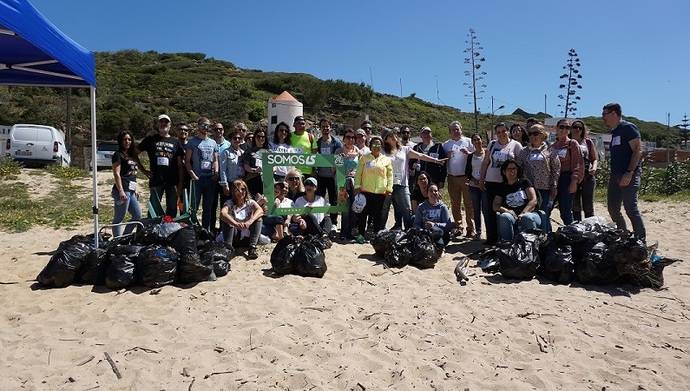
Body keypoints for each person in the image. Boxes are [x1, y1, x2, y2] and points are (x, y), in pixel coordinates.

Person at [382, 130, 447, 230]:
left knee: (407, 209)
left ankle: (409, 230)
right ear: (386, 140)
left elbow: (420, 156)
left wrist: (435, 160)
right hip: (386, 185)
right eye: (389, 136)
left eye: (394, 135)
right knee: (384, 208)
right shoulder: (383, 151)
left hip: (402, 184)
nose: (393, 137)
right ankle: (380, 229)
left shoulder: (405, 149)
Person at [603, 102, 645, 241]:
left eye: (605, 114)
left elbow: (638, 150)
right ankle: (624, 236)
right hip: (615, 176)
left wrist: (629, 172)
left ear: (614, 113)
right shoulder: (614, 132)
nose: (603, 117)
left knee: (630, 209)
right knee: (613, 209)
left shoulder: (628, 128)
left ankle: (640, 240)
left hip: (629, 175)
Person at [479, 122, 524, 244]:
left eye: (503, 131)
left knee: (504, 211)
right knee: (489, 211)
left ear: (508, 131)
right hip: (490, 182)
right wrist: (481, 179)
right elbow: (485, 162)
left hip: (506, 184)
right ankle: (491, 239)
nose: (501, 134)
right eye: (498, 132)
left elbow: (520, 165)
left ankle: (506, 238)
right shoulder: (492, 144)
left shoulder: (516, 145)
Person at [138, 114, 185, 217]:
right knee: (153, 209)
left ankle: (169, 230)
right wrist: (143, 170)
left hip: (172, 181)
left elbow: (180, 165)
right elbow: (134, 153)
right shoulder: (150, 139)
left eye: (166, 122)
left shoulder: (175, 142)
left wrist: (180, 183)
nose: (163, 124)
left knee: (172, 209)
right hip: (156, 180)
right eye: (161, 122)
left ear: (170, 125)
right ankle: (151, 230)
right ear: (158, 124)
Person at [493, 159, 542, 242]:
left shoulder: (525, 182)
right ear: (504, 172)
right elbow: (495, 205)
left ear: (517, 170)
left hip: (530, 214)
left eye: (514, 169)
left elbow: (533, 200)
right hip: (512, 216)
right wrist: (507, 211)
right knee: (504, 216)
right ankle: (507, 246)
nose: (512, 171)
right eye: (509, 169)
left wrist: (523, 213)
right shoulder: (501, 187)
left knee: (526, 217)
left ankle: (531, 246)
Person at [185, 117, 220, 231]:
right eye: (203, 125)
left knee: (208, 207)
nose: (206, 128)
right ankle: (193, 229)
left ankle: (206, 230)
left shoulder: (213, 142)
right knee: (194, 207)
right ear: (198, 126)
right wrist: (192, 175)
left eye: (208, 125)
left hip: (210, 179)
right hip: (197, 179)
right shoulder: (192, 142)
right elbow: (187, 161)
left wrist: (216, 172)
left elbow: (215, 160)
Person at [354, 135, 393, 237]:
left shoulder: (386, 160)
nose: (376, 146)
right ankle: (361, 235)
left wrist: (389, 188)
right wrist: (357, 186)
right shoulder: (364, 158)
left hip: (381, 192)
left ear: (382, 146)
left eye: (379, 144)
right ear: (370, 146)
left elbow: (390, 175)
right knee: (363, 214)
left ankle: (376, 235)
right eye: (374, 144)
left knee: (378, 215)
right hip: (366, 191)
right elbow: (358, 173)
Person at [516, 124, 560, 215]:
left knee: (543, 214)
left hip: (545, 189)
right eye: (530, 134)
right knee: (529, 214)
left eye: (535, 133)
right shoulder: (523, 151)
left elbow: (556, 169)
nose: (532, 136)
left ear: (543, 135)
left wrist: (554, 185)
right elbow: (518, 169)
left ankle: (546, 230)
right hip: (528, 189)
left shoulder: (551, 150)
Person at [111, 131, 148, 237]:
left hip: (131, 190)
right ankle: (117, 240)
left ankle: (124, 237)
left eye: (129, 139)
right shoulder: (118, 155)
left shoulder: (132, 155)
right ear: (120, 141)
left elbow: (133, 174)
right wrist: (121, 191)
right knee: (119, 217)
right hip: (122, 190)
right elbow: (116, 174)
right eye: (124, 139)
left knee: (137, 215)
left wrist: (135, 189)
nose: (127, 141)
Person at [443, 120, 476, 237]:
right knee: (455, 203)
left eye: (457, 129)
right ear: (450, 132)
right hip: (452, 177)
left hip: (466, 177)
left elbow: (477, 155)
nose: (456, 131)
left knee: (469, 204)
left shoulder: (468, 141)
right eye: (453, 129)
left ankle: (470, 228)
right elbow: (442, 161)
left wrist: (468, 153)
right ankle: (458, 227)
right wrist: (447, 156)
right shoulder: (446, 144)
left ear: (461, 129)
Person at [548, 119, 584, 226]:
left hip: (566, 179)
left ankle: (573, 235)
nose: (564, 129)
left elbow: (578, 163)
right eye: (562, 127)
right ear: (556, 128)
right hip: (553, 180)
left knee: (565, 212)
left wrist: (574, 181)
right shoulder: (552, 146)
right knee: (547, 209)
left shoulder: (572, 144)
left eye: (567, 127)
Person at [220, 179, 263, 260]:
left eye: (243, 189)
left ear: (246, 190)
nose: (240, 192)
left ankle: (252, 248)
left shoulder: (250, 202)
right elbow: (223, 214)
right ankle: (228, 249)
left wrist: (250, 221)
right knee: (228, 220)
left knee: (258, 218)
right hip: (234, 236)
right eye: (237, 190)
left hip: (247, 236)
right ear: (233, 192)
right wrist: (235, 223)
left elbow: (260, 210)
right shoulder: (229, 203)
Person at [314, 118, 343, 228]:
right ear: (320, 128)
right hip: (321, 176)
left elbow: (339, 158)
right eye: (323, 126)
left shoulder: (336, 142)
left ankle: (334, 223)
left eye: (327, 126)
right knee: (319, 200)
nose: (325, 128)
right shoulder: (318, 142)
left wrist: (334, 169)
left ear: (330, 127)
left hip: (332, 176)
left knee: (333, 200)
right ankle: (320, 221)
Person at [335, 128, 362, 240]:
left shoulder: (358, 152)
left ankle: (351, 232)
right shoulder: (338, 151)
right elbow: (334, 169)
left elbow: (361, 169)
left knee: (354, 208)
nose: (350, 139)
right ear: (344, 139)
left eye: (352, 137)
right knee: (345, 208)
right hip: (343, 181)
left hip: (355, 182)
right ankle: (343, 233)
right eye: (348, 137)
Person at [570, 120, 598, 221]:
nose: (577, 129)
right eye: (575, 127)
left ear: (583, 130)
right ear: (571, 129)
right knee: (575, 206)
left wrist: (594, 168)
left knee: (588, 206)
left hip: (588, 176)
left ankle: (590, 229)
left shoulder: (588, 142)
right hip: (572, 177)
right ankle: (578, 229)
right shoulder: (567, 141)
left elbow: (594, 158)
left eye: (580, 128)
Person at [414, 184, 454, 249]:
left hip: (439, 234)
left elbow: (448, 225)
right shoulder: (421, 207)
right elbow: (416, 223)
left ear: (438, 193)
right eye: (431, 191)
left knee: (439, 243)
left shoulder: (443, 207)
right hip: (425, 233)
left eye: (435, 191)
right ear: (427, 194)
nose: (433, 193)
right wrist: (421, 230)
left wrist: (434, 225)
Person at [465, 133, 487, 240]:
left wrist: (483, 180)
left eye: (478, 139)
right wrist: (474, 180)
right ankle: (478, 231)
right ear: (472, 142)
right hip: (474, 186)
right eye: (474, 140)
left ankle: (489, 231)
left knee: (486, 209)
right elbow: (467, 172)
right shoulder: (470, 156)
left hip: (485, 185)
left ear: (481, 140)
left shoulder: (487, 153)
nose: (477, 141)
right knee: (476, 209)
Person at [210, 122, 231, 233]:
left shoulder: (228, 144)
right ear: (213, 131)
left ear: (223, 131)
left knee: (225, 205)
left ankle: (223, 229)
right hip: (212, 179)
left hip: (225, 179)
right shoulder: (209, 143)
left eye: (220, 129)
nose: (218, 131)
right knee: (212, 204)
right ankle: (211, 229)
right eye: (216, 129)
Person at [241, 129, 269, 197]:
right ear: (255, 138)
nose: (260, 138)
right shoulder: (249, 151)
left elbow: (274, 167)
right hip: (252, 180)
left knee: (266, 203)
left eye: (263, 137)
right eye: (258, 136)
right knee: (256, 201)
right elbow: (246, 166)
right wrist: (254, 170)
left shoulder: (269, 152)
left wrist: (267, 170)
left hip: (267, 180)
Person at [219, 130, 245, 202]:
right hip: (230, 184)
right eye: (235, 138)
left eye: (239, 138)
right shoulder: (225, 152)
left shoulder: (243, 153)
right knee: (227, 206)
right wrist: (225, 185)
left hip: (241, 184)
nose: (237, 140)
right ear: (230, 140)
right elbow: (222, 170)